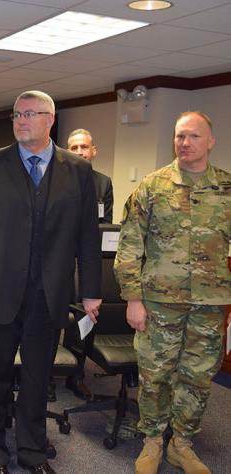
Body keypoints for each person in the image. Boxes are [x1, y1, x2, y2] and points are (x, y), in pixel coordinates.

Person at [0, 90, 102, 474]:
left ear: (51, 119)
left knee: (37, 379)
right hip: (1, 289)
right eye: (17, 114)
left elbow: (88, 235)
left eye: (29, 114)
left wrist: (91, 292)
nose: (20, 120)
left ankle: (33, 452)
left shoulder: (78, 171)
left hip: (49, 295)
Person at [113, 111, 231, 474]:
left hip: (210, 304)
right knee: (155, 373)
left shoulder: (227, 188)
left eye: (194, 136)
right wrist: (133, 298)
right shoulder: (153, 186)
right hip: (159, 301)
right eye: (180, 136)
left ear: (210, 142)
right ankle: (151, 441)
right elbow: (129, 246)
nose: (185, 143)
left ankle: (182, 443)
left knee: (197, 376)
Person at [67, 129, 114, 223]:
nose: (79, 152)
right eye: (74, 148)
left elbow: (106, 223)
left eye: (84, 147)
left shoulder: (104, 183)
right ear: (67, 152)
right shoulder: (56, 181)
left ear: (94, 151)